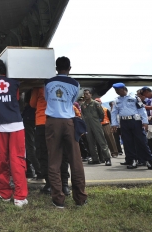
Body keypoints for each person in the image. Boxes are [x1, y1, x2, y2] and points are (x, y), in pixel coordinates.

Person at [0, 59, 28, 207]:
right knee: (18, 160)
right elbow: (16, 99)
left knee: (2, 159)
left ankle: (5, 194)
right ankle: (20, 198)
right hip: (16, 124)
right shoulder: (14, 82)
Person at [44, 56, 87, 208]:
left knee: (54, 160)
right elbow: (72, 101)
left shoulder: (48, 82)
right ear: (69, 68)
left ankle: (58, 199)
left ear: (56, 68)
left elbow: (47, 98)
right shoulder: (75, 84)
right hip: (69, 122)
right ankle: (80, 198)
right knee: (75, 160)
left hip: (52, 122)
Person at [30, 86, 71, 196]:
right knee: (62, 154)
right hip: (59, 120)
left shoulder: (38, 87)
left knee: (44, 154)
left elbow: (32, 104)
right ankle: (65, 185)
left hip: (42, 122)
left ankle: (49, 184)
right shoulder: (59, 86)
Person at [110, 83, 152, 171]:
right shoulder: (116, 100)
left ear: (124, 89)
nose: (117, 92)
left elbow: (141, 109)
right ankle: (133, 161)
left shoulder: (134, 97)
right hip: (124, 122)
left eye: (118, 90)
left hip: (135, 121)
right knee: (128, 142)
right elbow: (114, 112)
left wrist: (145, 122)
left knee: (142, 141)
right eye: (116, 91)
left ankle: (149, 161)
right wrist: (114, 124)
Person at [80, 89, 111, 166]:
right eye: (85, 94)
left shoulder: (96, 104)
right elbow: (83, 115)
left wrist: (97, 121)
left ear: (91, 95)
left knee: (101, 141)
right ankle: (95, 159)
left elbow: (101, 115)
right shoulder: (83, 105)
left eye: (87, 94)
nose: (86, 95)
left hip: (96, 124)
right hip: (87, 125)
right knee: (90, 142)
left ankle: (107, 159)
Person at [22, 90, 40, 179]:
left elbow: (31, 103)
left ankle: (38, 171)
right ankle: (33, 170)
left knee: (29, 146)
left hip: (29, 118)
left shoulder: (33, 91)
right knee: (34, 146)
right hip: (38, 119)